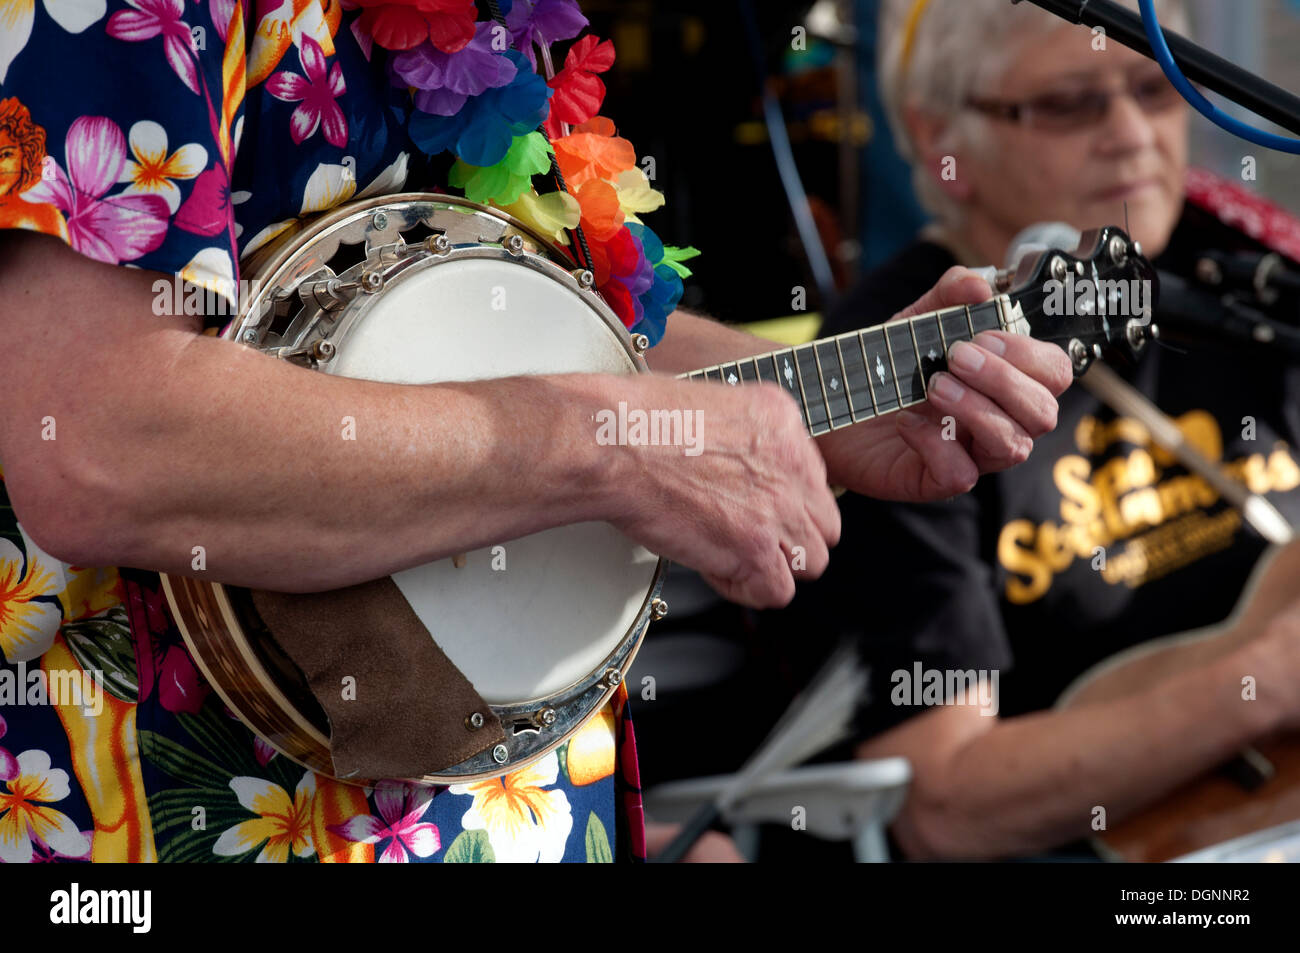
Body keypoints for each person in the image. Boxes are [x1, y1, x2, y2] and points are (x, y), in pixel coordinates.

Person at [0, 0, 1069, 863]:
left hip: (513, 810)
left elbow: (514, 331)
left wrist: (805, 406)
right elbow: (99, 444)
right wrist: (609, 442)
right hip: (153, 817)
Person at [806, 0, 1300, 860]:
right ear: (938, 141)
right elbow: (945, 801)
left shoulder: (1246, 272)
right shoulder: (888, 366)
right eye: (1070, 104)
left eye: (1158, 86)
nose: (1130, 133)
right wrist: (1261, 687)